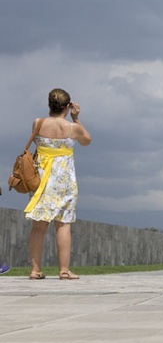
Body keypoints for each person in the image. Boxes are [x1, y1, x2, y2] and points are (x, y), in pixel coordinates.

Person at [25, 88, 92, 280]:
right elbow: (87, 141)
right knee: (63, 225)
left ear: (49, 105)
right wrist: (76, 118)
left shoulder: (37, 123)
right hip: (64, 180)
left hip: (41, 178)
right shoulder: (72, 128)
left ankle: (35, 270)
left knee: (39, 226)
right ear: (68, 106)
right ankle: (64, 270)